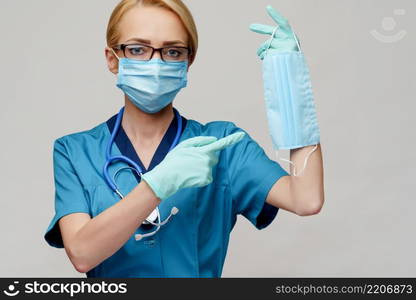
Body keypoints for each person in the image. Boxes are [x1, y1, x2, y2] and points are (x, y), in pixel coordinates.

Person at [44, 0, 324, 278]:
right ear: (112, 59)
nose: (156, 63)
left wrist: (291, 87)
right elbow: (82, 254)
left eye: (173, 51)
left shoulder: (222, 144)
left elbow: (306, 199)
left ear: (188, 62)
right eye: (138, 49)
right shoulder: (74, 151)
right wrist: (156, 186)